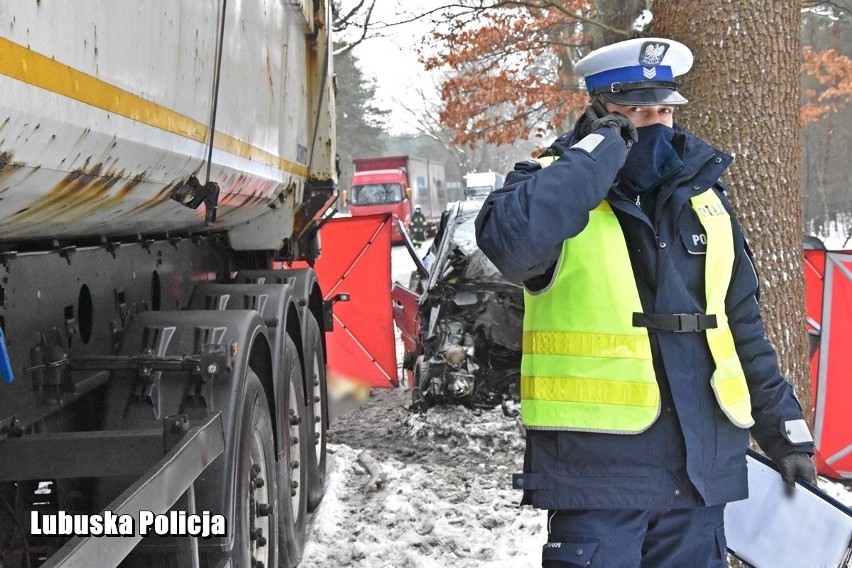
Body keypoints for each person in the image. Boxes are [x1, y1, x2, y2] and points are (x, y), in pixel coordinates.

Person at [474, 37, 817, 568]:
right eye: (635, 110)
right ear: (599, 115)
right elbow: (511, 245)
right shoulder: (548, 187)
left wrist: (786, 434)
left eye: (664, 110)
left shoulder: (706, 201)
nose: (654, 124)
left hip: (701, 475)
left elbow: (741, 327)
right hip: (599, 480)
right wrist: (595, 156)